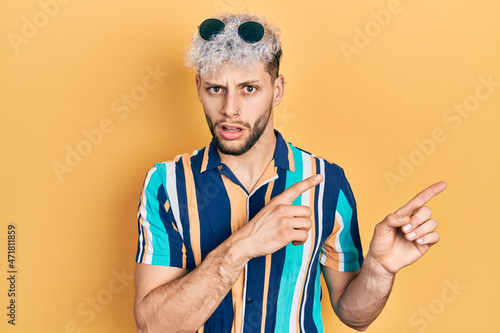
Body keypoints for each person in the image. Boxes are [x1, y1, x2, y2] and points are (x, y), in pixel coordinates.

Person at [133, 12, 446, 333]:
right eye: (216, 89)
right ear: (199, 88)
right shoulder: (166, 184)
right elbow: (155, 326)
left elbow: (354, 315)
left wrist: (379, 270)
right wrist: (243, 245)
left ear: (277, 90)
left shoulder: (328, 182)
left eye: (249, 88)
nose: (230, 108)